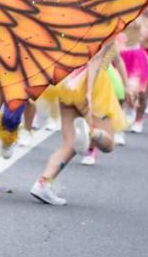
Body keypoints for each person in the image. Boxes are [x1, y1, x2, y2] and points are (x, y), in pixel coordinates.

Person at [30, 39, 126, 204]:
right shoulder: (108, 22)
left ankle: (43, 183)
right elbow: (96, 58)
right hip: (94, 84)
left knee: (69, 143)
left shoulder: (80, 20)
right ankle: (91, 133)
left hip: (69, 81)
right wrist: (88, 92)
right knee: (108, 144)